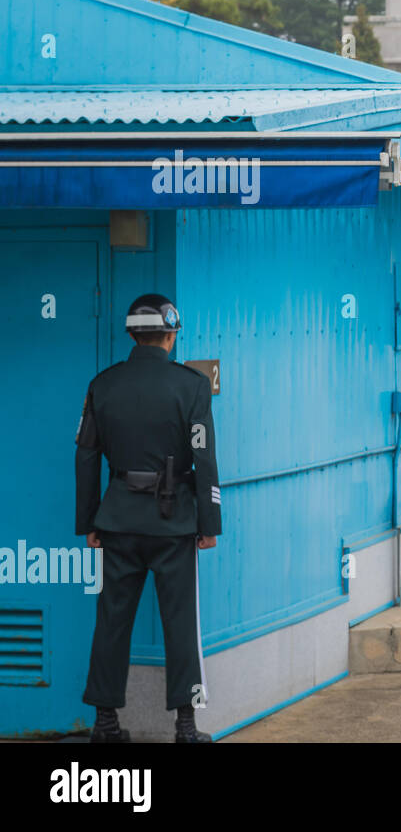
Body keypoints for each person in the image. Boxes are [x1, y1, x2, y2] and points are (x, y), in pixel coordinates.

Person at [75, 293, 221, 743]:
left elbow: (85, 457)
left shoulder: (103, 384)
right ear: (171, 333)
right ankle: (186, 726)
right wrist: (209, 523)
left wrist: (90, 522)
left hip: (118, 518)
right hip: (175, 520)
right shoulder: (192, 386)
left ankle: (105, 724)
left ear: (132, 334)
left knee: (112, 621)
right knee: (180, 624)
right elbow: (204, 456)